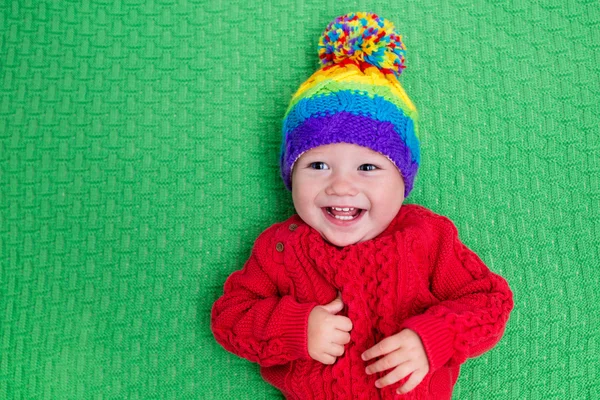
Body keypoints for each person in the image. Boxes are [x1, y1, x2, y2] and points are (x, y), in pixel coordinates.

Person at [211, 12, 513, 399]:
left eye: (368, 167)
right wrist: (295, 329)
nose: (340, 185)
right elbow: (229, 318)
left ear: (403, 180)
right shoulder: (279, 248)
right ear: (290, 175)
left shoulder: (425, 236)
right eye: (317, 165)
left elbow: (490, 302)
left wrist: (432, 339)